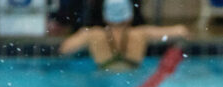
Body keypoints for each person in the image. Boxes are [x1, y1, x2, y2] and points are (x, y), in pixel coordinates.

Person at [59, 0, 189, 71]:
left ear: (105, 16)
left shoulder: (94, 34)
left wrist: (83, 34)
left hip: (103, 78)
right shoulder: (140, 33)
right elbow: (181, 31)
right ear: (129, 15)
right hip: (133, 79)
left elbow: (64, 49)